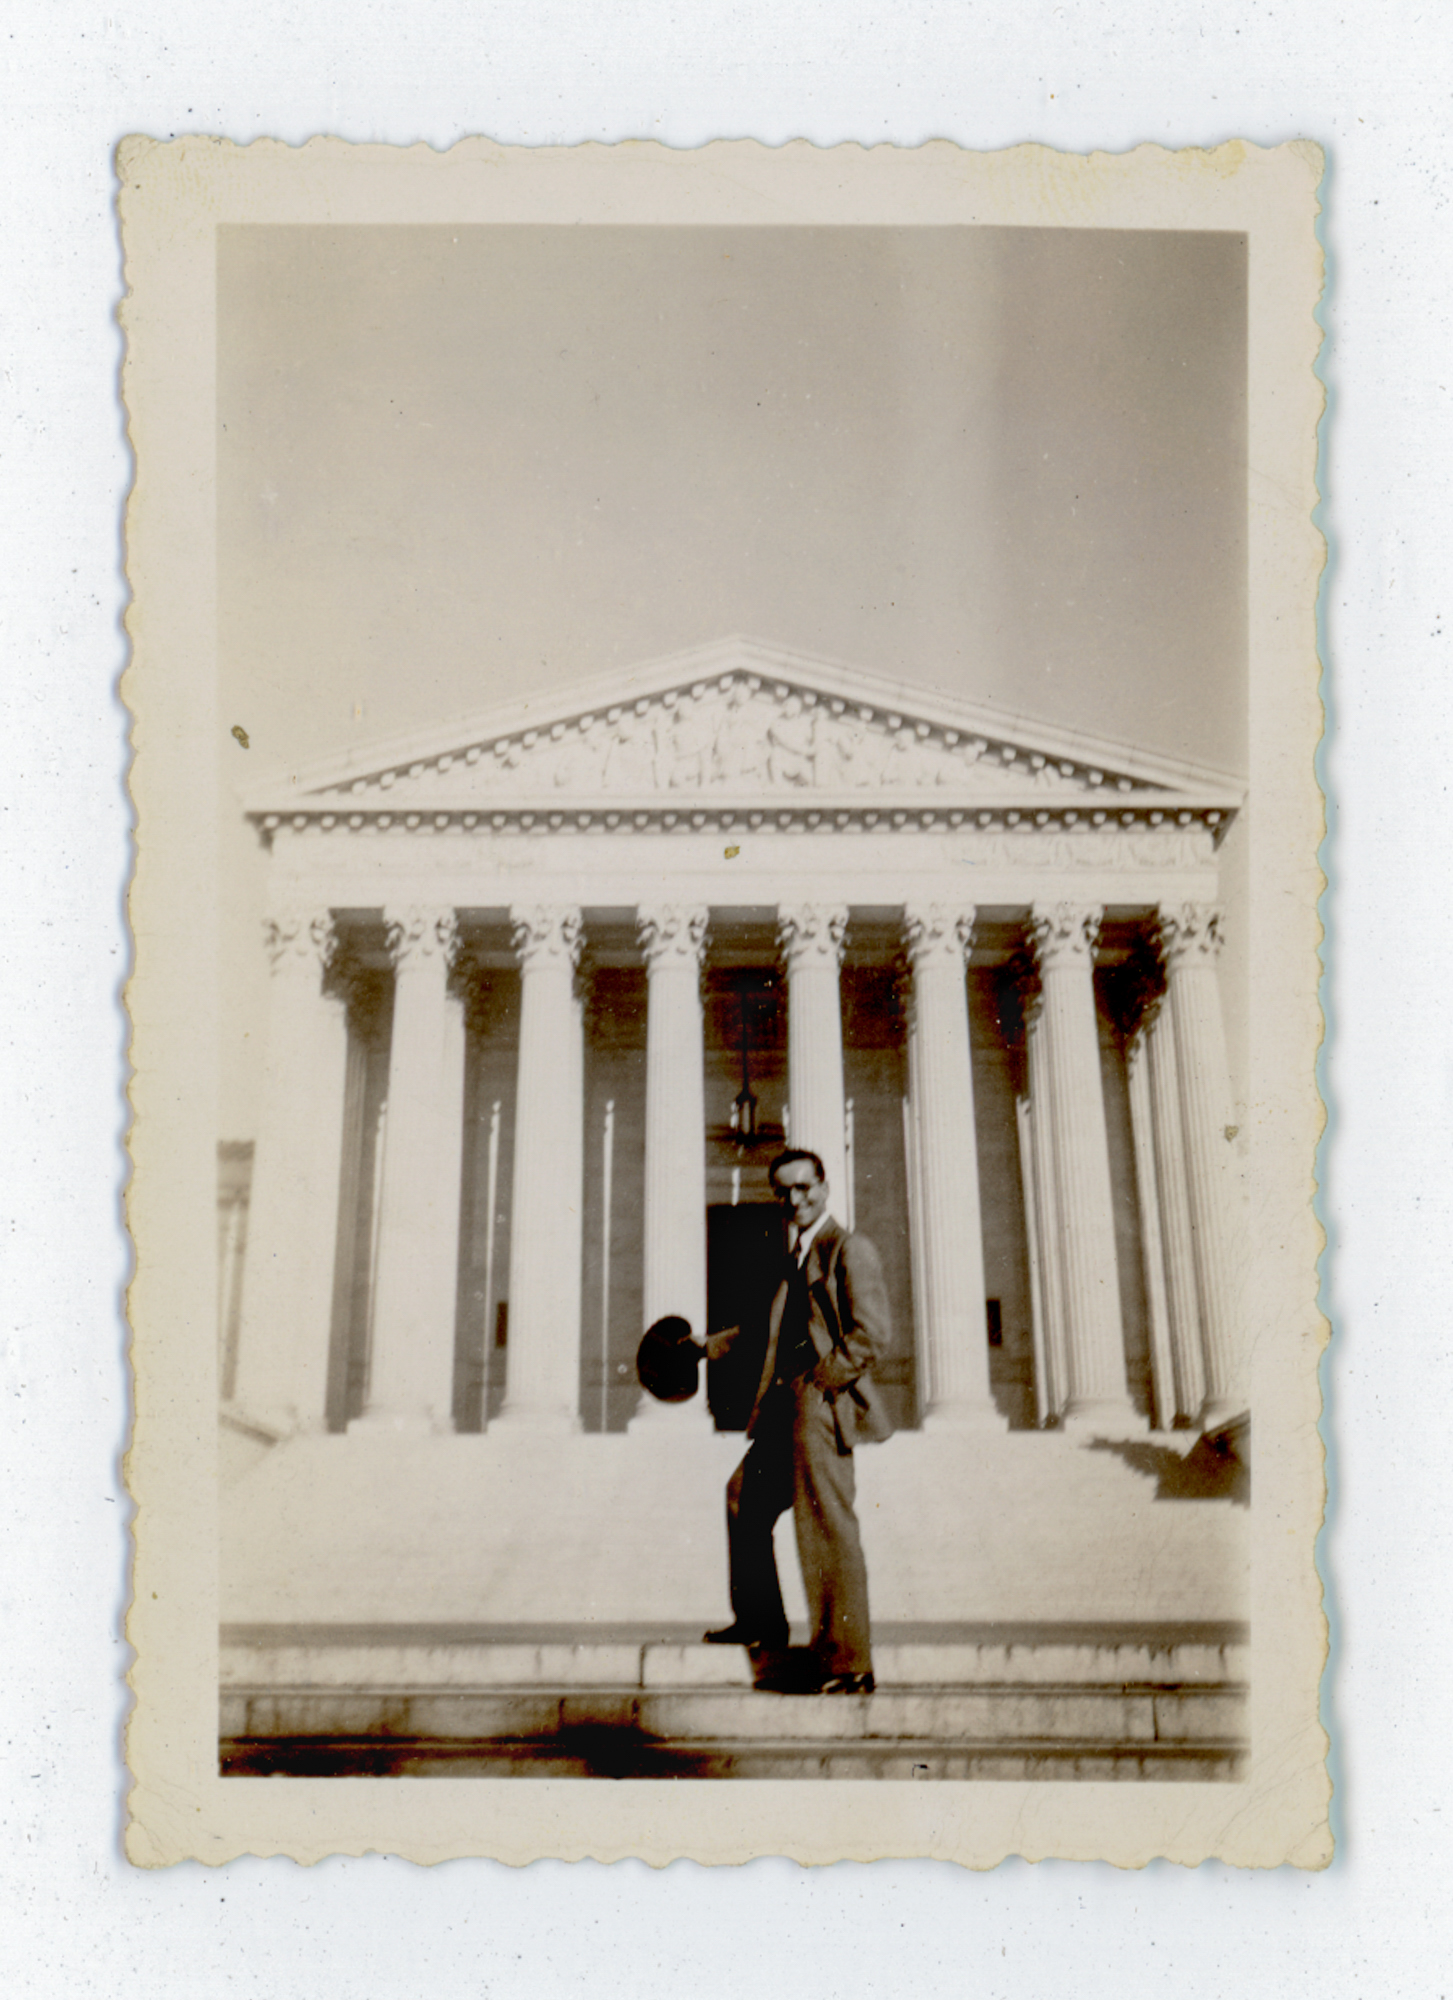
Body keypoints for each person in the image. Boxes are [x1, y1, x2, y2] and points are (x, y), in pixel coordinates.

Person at [700, 1148, 893, 1695]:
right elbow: (765, 1329)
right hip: (786, 1408)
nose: (795, 1199)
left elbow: (872, 1334)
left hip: (819, 1406)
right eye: (784, 1191)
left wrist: (821, 1380)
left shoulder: (848, 1249)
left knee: (826, 1525)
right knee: (744, 1497)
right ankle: (761, 1621)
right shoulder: (796, 1255)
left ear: (825, 1186)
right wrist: (703, 1348)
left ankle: (849, 1661)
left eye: (805, 1187)